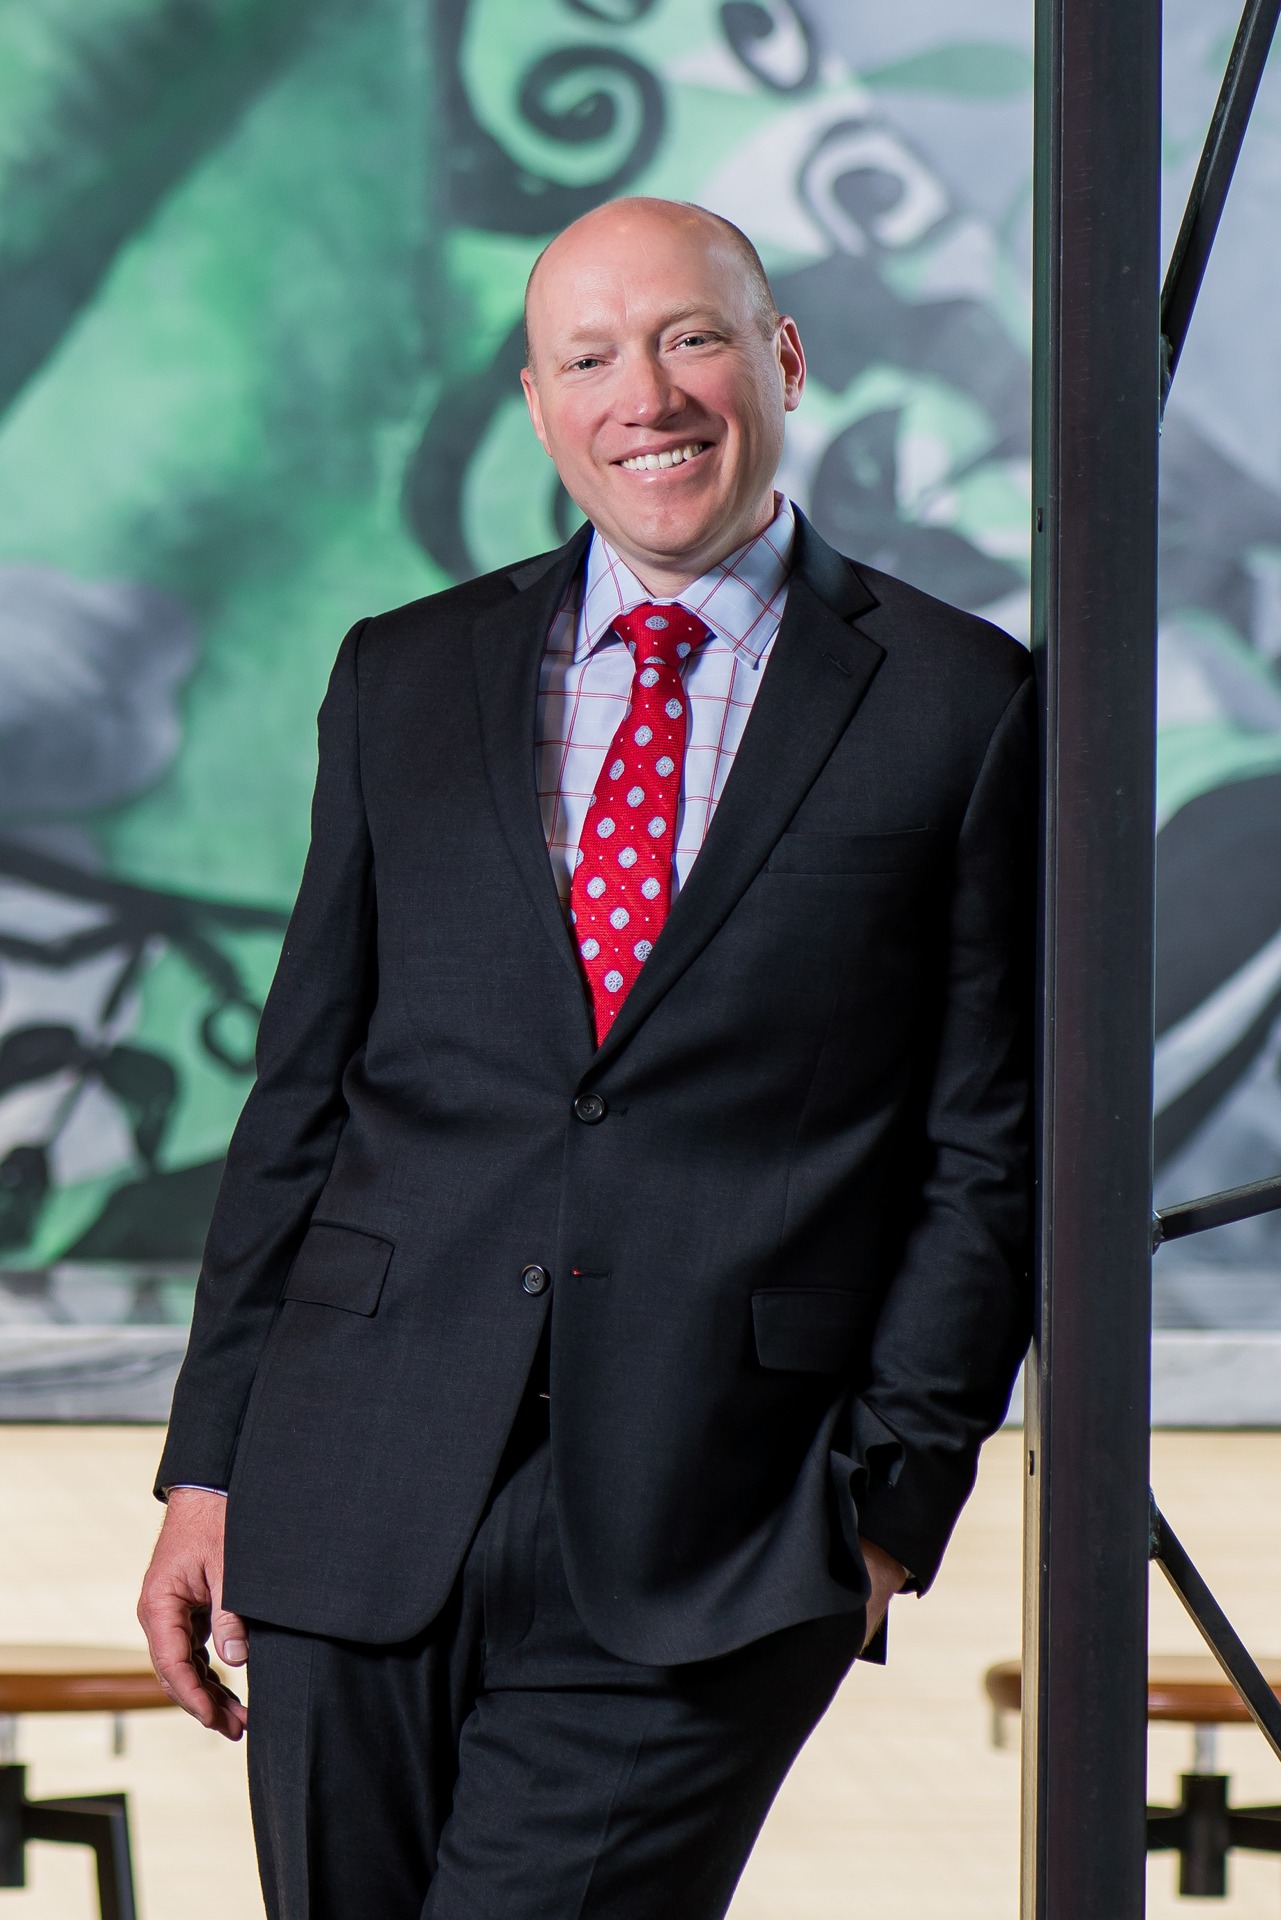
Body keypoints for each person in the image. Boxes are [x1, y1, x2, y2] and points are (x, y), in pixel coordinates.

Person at [139, 196, 1035, 1919]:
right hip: (350, 1497)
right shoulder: (402, 677)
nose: (649, 395)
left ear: (779, 358)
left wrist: (880, 1510)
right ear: (539, 406)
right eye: (588, 357)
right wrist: (209, 1463)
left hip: (719, 1529)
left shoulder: (960, 699)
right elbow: (303, 1095)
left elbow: (985, 1146)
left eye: (690, 337)